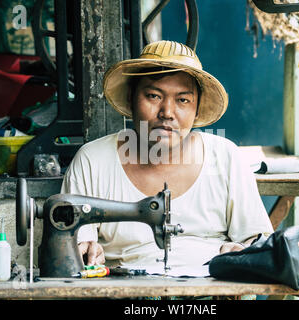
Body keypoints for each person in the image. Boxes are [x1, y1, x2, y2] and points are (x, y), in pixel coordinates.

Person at [61, 40, 273, 269]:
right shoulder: (93, 161)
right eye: (153, 96)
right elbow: (77, 243)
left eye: (183, 100)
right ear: (132, 98)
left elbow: (258, 242)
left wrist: (242, 251)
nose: (167, 113)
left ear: (197, 107)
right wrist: (86, 251)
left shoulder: (225, 157)